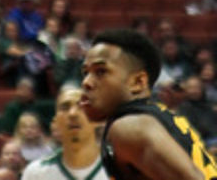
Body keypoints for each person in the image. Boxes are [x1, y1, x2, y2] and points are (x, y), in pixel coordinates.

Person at [80, 29, 217, 180]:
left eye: (101, 72)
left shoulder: (129, 126)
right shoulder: (155, 117)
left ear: (138, 82)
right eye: (86, 72)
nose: (86, 82)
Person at [22, 87, 105, 180]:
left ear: (98, 119)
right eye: (65, 107)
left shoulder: (120, 167)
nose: (72, 113)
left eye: (81, 106)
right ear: (55, 123)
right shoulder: (35, 174)